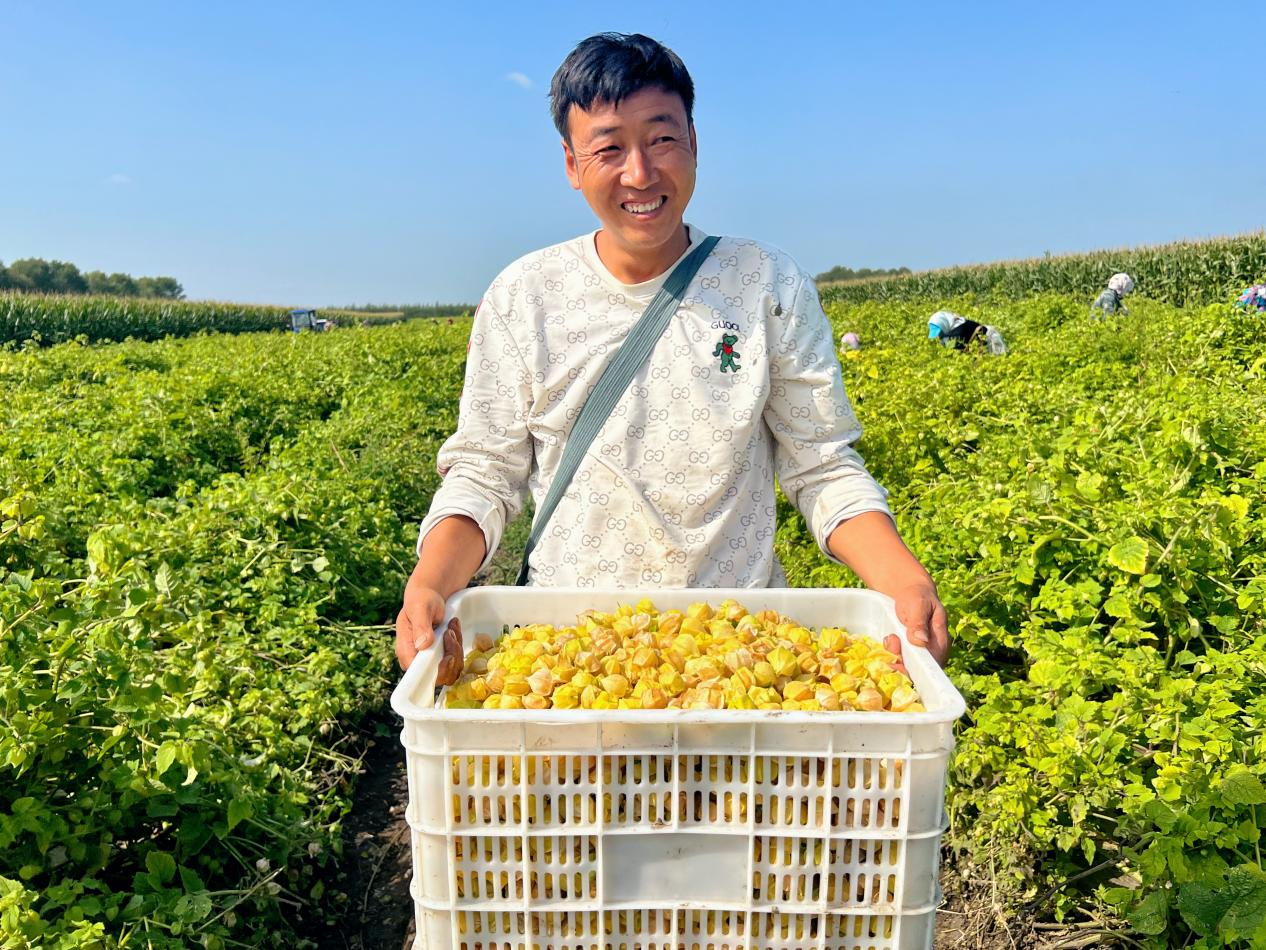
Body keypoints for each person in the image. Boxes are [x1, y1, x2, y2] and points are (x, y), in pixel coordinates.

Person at [395, 32, 950, 679]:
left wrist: (904, 583)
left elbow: (821, 465)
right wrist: (430, 582)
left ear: (694, 141)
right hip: (570, 659)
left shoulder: (764, 283)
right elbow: (485, 472)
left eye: (661, 138)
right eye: (608, 149)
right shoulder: (526, 295)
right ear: (572, 165)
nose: (639, 173)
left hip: (740, 655)